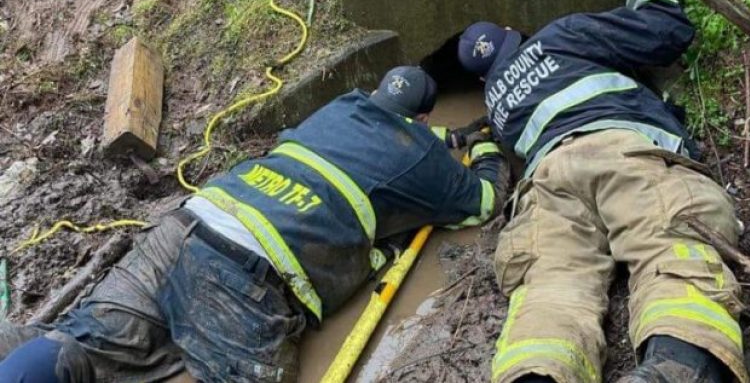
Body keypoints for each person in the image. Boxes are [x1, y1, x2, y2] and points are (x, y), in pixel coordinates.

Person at [0, 66, 509, 383]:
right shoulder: (418, 155)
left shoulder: (340, 110)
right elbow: (483, 200)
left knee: (83, 348)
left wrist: (444, 140)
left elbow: (369, 145)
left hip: (179, 233)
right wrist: (483, 146)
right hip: (239, 277)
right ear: (420, 123)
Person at [456, 0, 747, 383]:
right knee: (668, 244)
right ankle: (677, 367)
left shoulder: (497, 105)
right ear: (514, 31)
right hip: (621, 151)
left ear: (482, 79)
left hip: (548, 181)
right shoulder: (560, 35)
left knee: (551, 287)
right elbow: (666, 30)